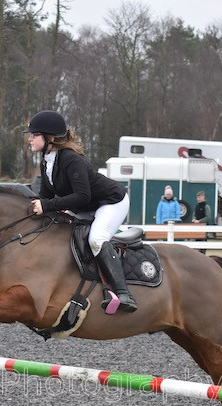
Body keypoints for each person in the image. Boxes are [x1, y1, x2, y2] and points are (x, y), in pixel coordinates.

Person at [26, 109, 137, 313]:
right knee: (60, 231)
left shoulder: (70, 159)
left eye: (34, 135)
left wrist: (47, 206)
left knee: (96, 238)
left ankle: (124, 294)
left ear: (50, 137)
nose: (30, 139)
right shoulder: (47, 161)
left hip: (111, 201)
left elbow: (82, 196)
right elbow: (45, 196)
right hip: (86, 206)